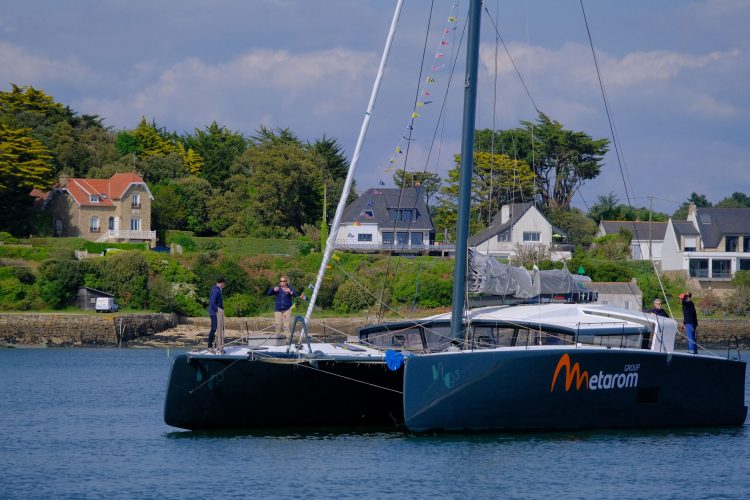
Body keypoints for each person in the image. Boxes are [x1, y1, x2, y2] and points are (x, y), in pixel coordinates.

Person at [207, 277, 225, 349]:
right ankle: (210, 346)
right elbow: (212, 302)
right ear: (221, 283)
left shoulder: (218, 290)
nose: (224, 285)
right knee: (214, 329)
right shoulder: (216, 290)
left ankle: (217, 345)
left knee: (220, 329)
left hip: (216, 313)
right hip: (214, 313)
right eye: (224, 284)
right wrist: (218, 310)